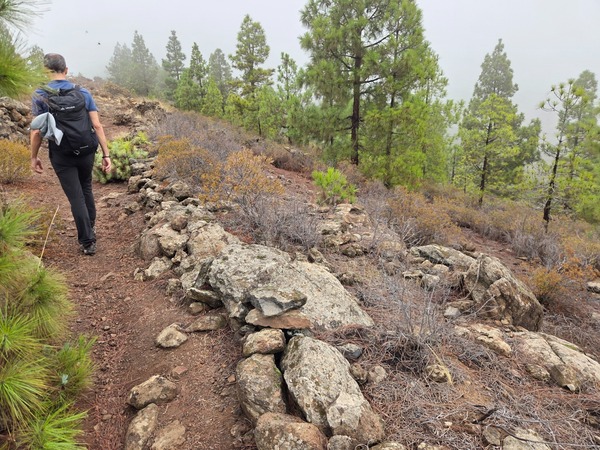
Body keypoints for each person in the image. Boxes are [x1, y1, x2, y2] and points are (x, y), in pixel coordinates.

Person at [30, 53, 111, 256]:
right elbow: (97, 125)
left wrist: (34, 156)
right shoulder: (82, 92)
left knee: (75, 196)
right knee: (86, 187)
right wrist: (106, 154)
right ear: (66, 70)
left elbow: (37, 131)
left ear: (46, 72)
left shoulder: (40, 94)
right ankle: (89, 227)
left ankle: (87, 240)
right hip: (86, 149)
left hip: (61, 152)